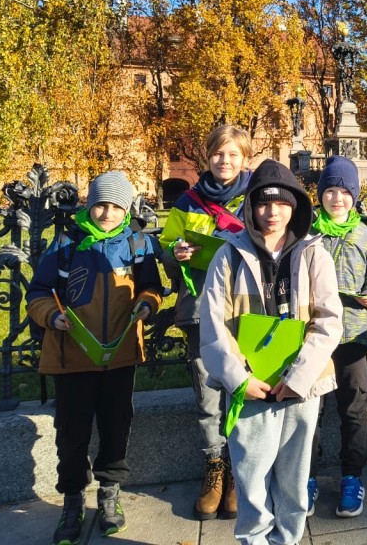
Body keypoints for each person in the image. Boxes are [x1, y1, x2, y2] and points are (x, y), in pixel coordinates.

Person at [199, 159, 343, 545]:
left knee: (295, 479)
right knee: (251, 477)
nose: (272, 212)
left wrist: (299, 377)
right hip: (251, 387)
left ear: (295, 206)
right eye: (263, 203)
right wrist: (238, 379)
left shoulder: (315, 255)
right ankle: (255, 539)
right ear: (250, 207)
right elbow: (214, 325)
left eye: (281, 203)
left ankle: (289, 539)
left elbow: (329, 320)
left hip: (301, 387)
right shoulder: (228, 257)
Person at [26, 171, 163, 545]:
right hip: (72, 357)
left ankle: (109, 492)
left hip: (119, 356)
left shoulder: (136, 243)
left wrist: (147, 305)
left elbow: (152, 286)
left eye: (116, 206)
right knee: (72, 432)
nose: (107, 213)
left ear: (126, 209)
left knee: (116, 426)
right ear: (89, 205)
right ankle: (72, 499)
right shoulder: (68, 243)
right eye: (101, 204)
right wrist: (50, 316)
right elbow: (38, 292)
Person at [158, 124, 252, 521]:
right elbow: (165, 249)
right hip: (198, 310)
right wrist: (175, 253)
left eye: (232, 155)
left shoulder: (257, 196)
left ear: (244, 158)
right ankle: (215, 467)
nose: (225, 161)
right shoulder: (187, 203)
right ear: (207, 157)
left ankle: (241, 470)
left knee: (243, 389)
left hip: (246, 310)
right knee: (207, 394)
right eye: (218, 154)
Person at [306, 156, 367, 518]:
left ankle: (352, 477)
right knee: (311, 409)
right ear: (321, 194)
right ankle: (307, 477)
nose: (337, 199)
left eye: (344, 192)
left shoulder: (365, 234)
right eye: (331, 191)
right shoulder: (307, 234)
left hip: (353, 334)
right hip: (314, 336)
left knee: (354, 408)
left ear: (355, 196)